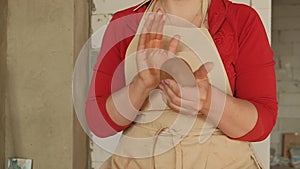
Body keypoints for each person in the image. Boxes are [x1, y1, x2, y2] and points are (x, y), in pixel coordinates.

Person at [85, 0, 278, 168]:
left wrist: (208, 101)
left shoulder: (241, 20)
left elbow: (262, 122)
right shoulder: (123, 24)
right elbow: (99, 123)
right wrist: (141, 85)